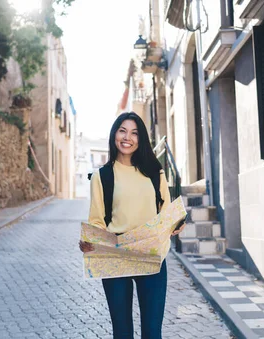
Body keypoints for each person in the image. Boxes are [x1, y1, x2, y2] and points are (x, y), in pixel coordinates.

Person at [79, 112, 186, 339]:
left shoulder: (154, 172)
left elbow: (166, 212)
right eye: (123, 130)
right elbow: (97, 220)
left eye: (134, 132)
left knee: (152, 333)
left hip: (152, 253)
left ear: (141, 139)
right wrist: (90, 241)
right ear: (114, 135)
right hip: (116, 254)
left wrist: (177, 223)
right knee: (123, 333)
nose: (128, 137)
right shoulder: (102, 176)